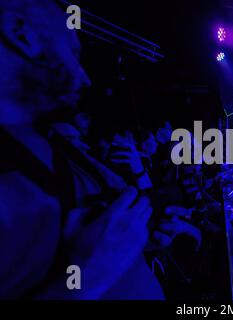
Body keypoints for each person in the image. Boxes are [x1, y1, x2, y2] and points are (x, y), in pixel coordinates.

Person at [0, 0, 164, 298]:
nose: (85, 77)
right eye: (73, 53)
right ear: (22, 35)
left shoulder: (51, 139)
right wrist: (83, 282)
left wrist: (142, 238)